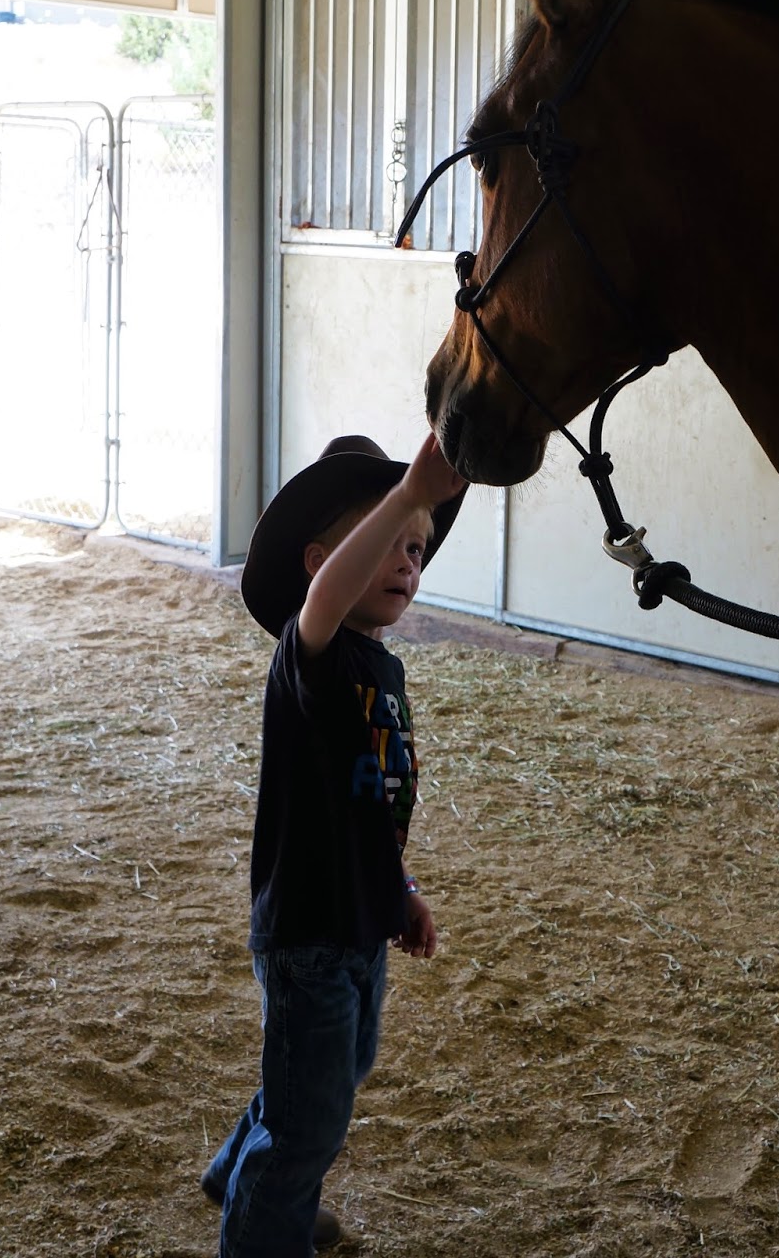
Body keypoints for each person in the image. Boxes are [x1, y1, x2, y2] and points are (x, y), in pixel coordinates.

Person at [200, 432, 467, 1257]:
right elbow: (322, 603)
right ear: (323, 563)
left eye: (416, 548)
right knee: (309, 1122)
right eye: (384, 543)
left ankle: (244, 1180)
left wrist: (403, 888)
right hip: (309, 931)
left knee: (330, 1077)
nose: (407, 562)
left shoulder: (383, 669)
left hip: (361, 922)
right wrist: (408, 493)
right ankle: (264, 1228)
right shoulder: (308, 653)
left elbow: (372, 807)